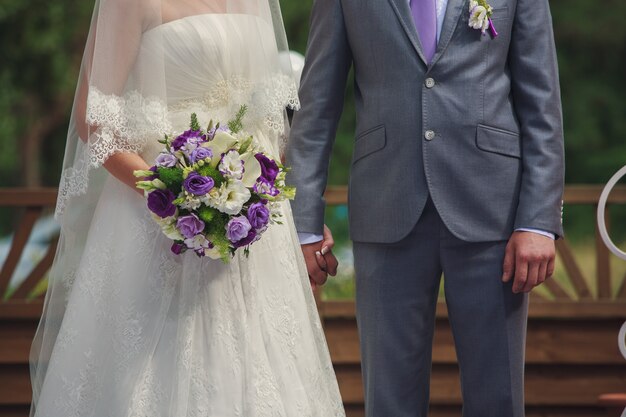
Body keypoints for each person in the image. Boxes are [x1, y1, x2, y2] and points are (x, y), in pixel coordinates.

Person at [29, 1, 346, 416]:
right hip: (154, 219)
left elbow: (273, 128)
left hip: (253, 222)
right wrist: (167, 194)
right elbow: (95, 119)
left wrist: (297, 215)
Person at [287, 0, 565, 416]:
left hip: (494, 211)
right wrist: (305, 225)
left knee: (498, 398)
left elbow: (542, 106)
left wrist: (538, 221)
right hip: (386, 205)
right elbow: (316, 109)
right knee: (389, 399)